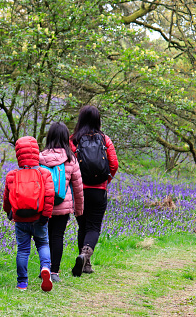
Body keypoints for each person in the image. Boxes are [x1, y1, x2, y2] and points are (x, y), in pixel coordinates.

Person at [69, 105, 118, 276]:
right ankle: (85, 257)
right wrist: (106, 181)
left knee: (82, 226)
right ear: (98, 120)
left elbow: (69, 165)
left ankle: (84, 262)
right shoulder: (105, 140)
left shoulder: (73, 140)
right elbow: (114, 165)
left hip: (79, 190)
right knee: (94, 227)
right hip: (98, 190)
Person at [3, 136, 55, 291]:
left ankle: (22, 283)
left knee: (23, 250)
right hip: (39, 217)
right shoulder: (44, 173)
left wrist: (9, 213)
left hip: (20, 219)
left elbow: (7, 198)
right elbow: (50, 196)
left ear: (18, 154)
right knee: (43, 244)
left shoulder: (12, 175)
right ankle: (45, 268)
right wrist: (46, 215)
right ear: (36, 152)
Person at [39, 122, 84, 283]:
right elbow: (78, 188)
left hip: (44, 205)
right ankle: (54, 272)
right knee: (57, 237)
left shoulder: (41, 157)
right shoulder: (71, 159)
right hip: (62, 206)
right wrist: (79, 210)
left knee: (43, 238)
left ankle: (43, 267)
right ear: (66, 138)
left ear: (49, 136)